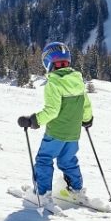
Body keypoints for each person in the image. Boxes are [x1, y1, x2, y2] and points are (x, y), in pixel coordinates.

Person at [17, 41, 93, 207]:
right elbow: (86, 105)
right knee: (68, 161)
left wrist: (32, 121)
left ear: (48, 62)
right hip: (73, 134)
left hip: (56, 133)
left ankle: (43, 194)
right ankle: (76, 190)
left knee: (44, 159)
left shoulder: (54, 83)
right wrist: (87, 119)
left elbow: (52, 111)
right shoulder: (78, 81)